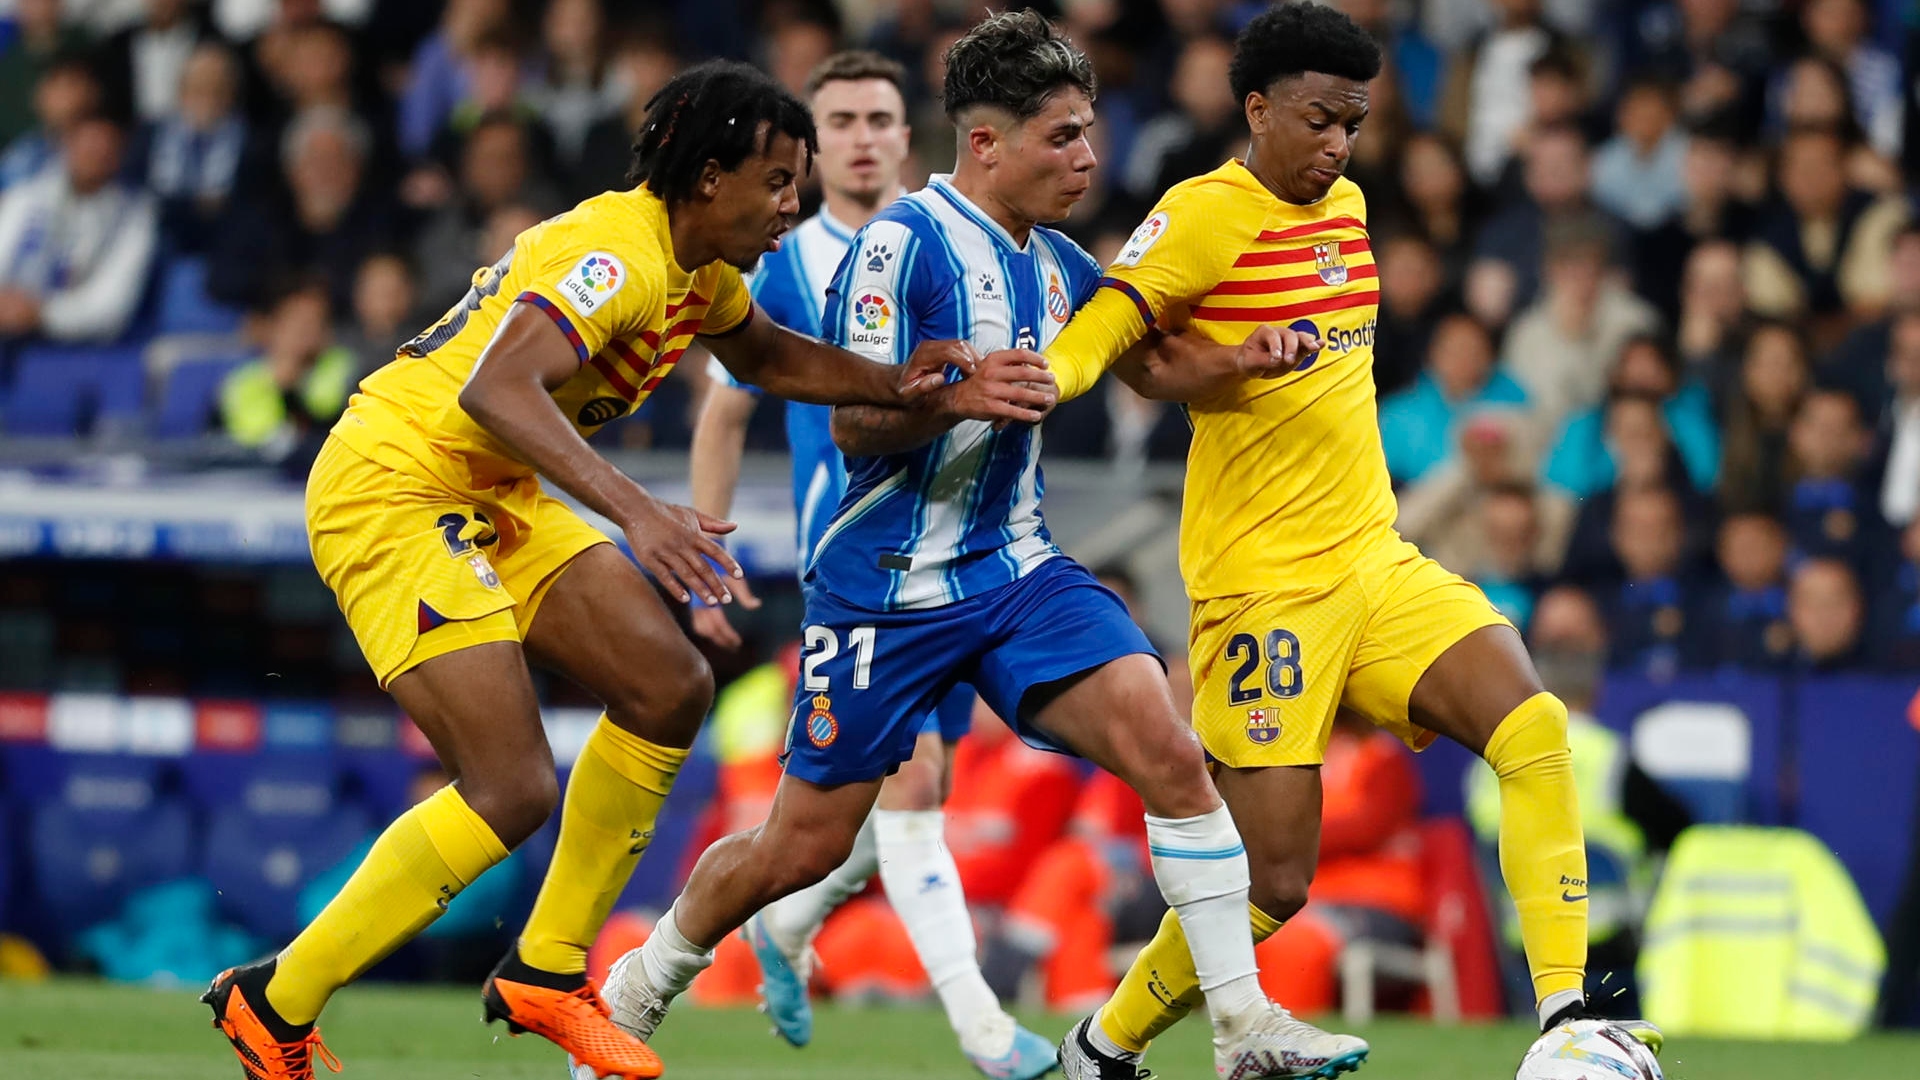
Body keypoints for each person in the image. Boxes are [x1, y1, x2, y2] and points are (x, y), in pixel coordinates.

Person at [198, 59, 1039, 1080]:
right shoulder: (616, 253)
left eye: (796, 182)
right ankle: (273, 1003)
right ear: (707, 177)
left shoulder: (702, 273)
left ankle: (546, 974)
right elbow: (495, 389)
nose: (792, 203)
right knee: (509, 787)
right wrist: (639, 512)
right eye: (776, 180)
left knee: (667, 686)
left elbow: (771, 357)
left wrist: (904, 380)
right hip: (396, 484)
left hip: (493, 492)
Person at [599, 14, 1353, 1080]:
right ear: (987, 143)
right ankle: (635, 990)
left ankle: (1245, 1031)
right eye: (1063, 138)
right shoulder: (898, 245)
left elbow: (1148, 364)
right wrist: (958, 398)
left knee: (1171, 754)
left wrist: (1244, 356)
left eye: (1090, 134)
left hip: (1016, 570)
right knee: (799, 849)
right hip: (883, 591)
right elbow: (857, 428)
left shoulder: (1055, 261)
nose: (1088, 159)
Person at [1034, 4, 1663, 1076]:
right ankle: (1106, 1044)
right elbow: (1116, 320)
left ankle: (1569, 1021)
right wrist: (1057, 379)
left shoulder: (1350, 207)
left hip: (1375, 560)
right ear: (1257, 108)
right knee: (1275, 882)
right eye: (1319, 120)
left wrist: (1221, 363)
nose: (1336, 145)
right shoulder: (1200, 216)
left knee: (1534, 724)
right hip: (1262, 592)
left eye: (1354, 124)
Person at [681, 48, 1052, 1075]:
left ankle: (785, 928)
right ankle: (984, 1028)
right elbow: (724, 412)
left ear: (906, 134)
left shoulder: (956, 244)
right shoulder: (782, 261)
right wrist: (707, 548)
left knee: (857, 807)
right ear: (811, 145)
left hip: (976, 559)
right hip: (856, 569)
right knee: (913, 784)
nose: (857, 136)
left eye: (875, 118)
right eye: (836, 119)